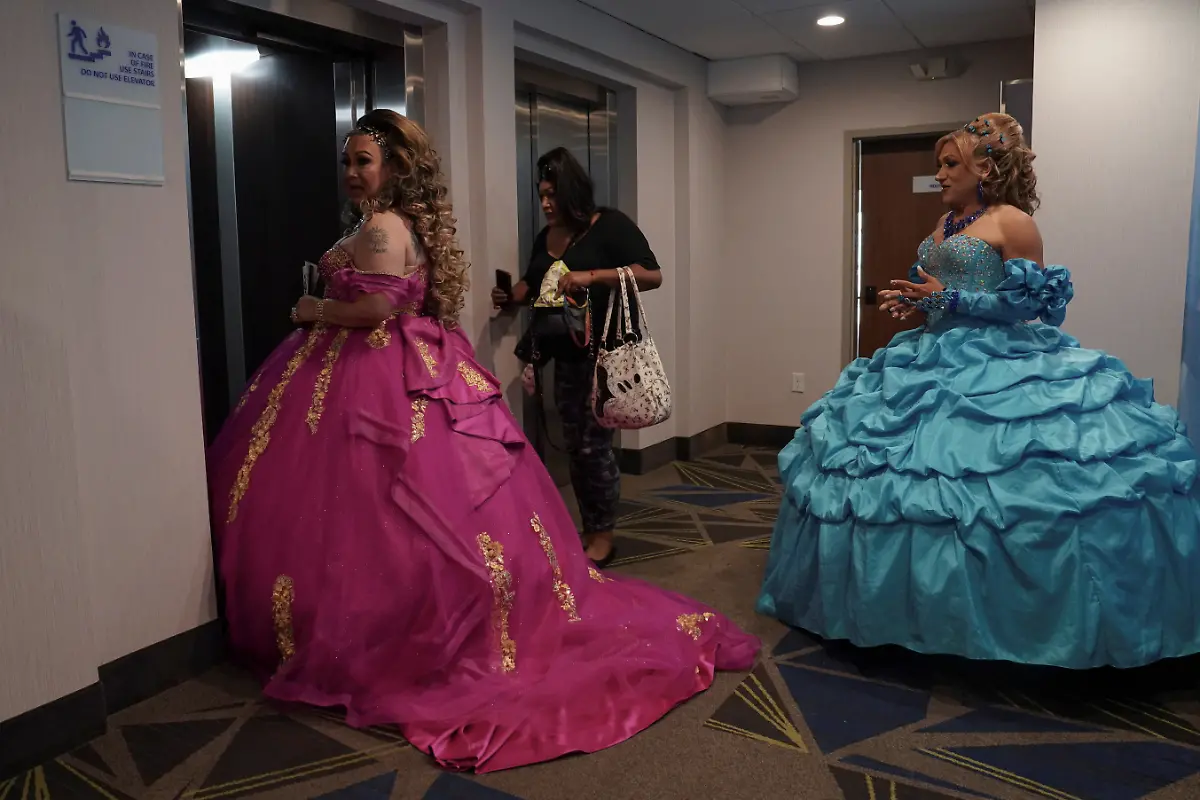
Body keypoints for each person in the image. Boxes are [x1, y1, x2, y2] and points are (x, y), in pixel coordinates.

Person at [207, 109, 759, 773]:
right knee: (415, 506)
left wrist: (313, 310)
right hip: (409, 363)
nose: (351, 173)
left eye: (364, 161)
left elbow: (378, 309)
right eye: (347, 161)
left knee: (394, 502)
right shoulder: (399, 223)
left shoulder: (384, 226)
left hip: (380, 372)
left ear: (395, 169)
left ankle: (410, 629)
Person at [757, 112, 1200, 670]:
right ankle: (901, 608)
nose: (938, 175)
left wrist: (953, 301)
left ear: (986, 168)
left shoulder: (1013, 221)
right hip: (930, 354)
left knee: (1003, 483)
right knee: (904, 477)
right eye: (939, 164)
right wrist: (920, 302)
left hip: (998, 361)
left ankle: (1020, 623)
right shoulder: (948, 225)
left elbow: (1037, 305)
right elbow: (942, 289)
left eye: (950, 164)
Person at [491, 147, 662, 566]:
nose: (545, 203)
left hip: (604, 357)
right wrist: (509, 297)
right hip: (563, 358)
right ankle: (589, 526)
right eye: (540, 193)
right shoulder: (546, 237)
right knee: (577, 447)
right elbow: (535, 280)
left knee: (593, 449)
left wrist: (592, 275)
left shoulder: (609, 225)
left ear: (572, 191)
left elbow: (651, 274)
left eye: (552, 193)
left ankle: (602, 533)